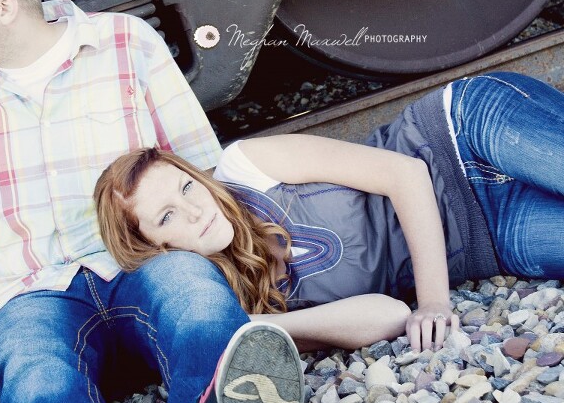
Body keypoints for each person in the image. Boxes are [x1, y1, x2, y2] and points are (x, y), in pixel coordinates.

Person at [0, 0, 305, 403]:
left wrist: (237, 272)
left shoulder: (125, 42)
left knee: (203, 313)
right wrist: (0, 326)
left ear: (5, 8)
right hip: (33, 296)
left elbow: (197, 167)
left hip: (147, 264)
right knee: (38, 384)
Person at [95, 71, 564, 354]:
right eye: (167, 217)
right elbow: (389, 315)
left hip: (461, 134)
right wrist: (242, 326)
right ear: (156, 249)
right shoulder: (243, 306)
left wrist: (436, 304)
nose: (195, 210)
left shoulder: (245, 167)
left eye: (187, 187)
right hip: (491, 237)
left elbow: (406, 173)